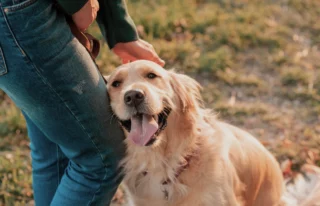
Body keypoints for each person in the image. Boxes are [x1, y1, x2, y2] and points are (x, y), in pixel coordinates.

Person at [0, 0, 164, 205]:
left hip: (17, 16)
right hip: (19, 17)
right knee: (101, 158)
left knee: (57, 148)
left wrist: (118, 27)